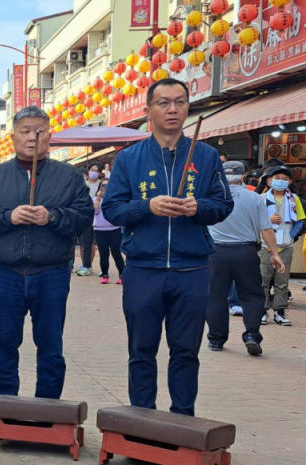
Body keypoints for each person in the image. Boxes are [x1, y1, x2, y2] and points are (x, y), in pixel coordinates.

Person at [102, 79, 232, 416]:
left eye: (179, 102)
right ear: (149, 110)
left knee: (186, 351)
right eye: (163, 102)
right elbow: (112, 209)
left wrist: (197, 207)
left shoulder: (206, 156)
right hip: (144, 269)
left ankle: (182, 421)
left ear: (189, 107)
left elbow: (222, 205)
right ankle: (142, 421)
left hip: (192, 269)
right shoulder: (130, 159)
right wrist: (147, 207)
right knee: (141, 349)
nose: (172, 109)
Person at [0, 106, 93, 400]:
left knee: (50, 346)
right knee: (3, 345)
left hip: (51, 271)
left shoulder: (69, 177)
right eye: (25, 131)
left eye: (40, 131)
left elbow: (83, 217)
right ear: (13, 138)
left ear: (50, 136)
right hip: (5, 272)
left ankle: (48, 411)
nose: (33, 138)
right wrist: (9, 217)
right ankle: (5, 408)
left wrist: (53, 217)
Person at [206, 161, 284, 355]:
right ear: (244, 176)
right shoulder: (255, 198)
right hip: (246, 253)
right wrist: (275, 253)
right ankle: (251, 335)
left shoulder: (210, 197)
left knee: (216, 297)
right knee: (251, 295)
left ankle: (216, 339)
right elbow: (266, 228)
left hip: (216, 253)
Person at [259, 164, 303, 326]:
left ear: (290, 181)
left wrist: (290, 237)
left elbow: (300, 220)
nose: (280, 181)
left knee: (282, 282)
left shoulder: (294, 199)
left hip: (285, 247)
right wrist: (267, 221)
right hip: (265, 247)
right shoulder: (261, 199)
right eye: (277, 178)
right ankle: (262, 311)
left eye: (284, 179)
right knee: (263, 280)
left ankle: (280, 311)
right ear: (269, 181)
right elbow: (254, 221)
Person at [92, 179, 124, 284]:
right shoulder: (95, 199)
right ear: (100, 188)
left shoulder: (115, 198)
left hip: (114, 229)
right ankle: (105, 274)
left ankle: (122, 274)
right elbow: (95, 211)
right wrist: (98, 198)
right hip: (100, 230)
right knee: (103, 254)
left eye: (107, 186)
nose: (105, 188)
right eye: (103, 186)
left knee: (116, 253)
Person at [76, 164, 101, 276]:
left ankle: (93, 266)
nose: (94, 172)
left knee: (96, 243)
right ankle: (86, 265)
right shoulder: (83, 185)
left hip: (99, 217)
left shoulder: (101, 185)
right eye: (92, 170)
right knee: (84, 242)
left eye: (96, 171)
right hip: (85, 215)